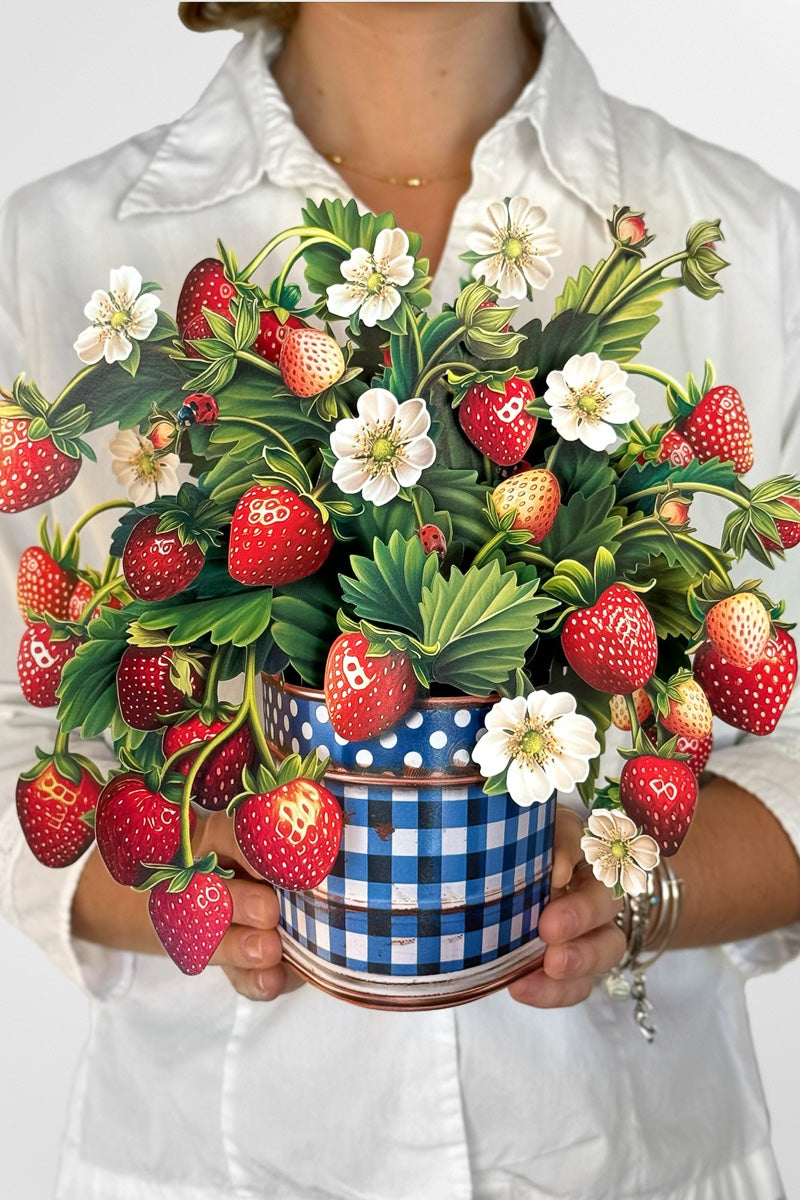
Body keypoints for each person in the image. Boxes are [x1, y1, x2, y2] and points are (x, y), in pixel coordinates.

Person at [1, 3, 800, 1197]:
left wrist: (631, 886)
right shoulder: (58, 246)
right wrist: (195, 866)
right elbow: (23, 737)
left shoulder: (745, 234)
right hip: (215, 1166)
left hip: (627, 1162)